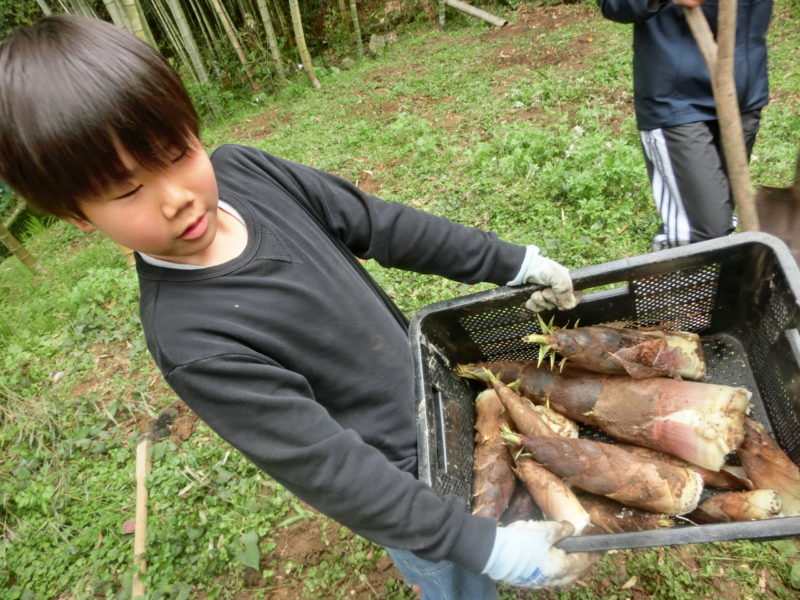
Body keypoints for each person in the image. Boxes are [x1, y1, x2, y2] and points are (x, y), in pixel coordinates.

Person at [0, 15, 598, 599]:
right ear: (79, 216)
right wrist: (476, 544)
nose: (177, 197)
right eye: (129, 190)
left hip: (443, 406)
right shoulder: (191, 338)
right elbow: (328, 468)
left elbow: (383, 225)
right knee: (459, 579)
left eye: (178, 152)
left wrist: (508, 262)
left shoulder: (249, 171)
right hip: (400, 488)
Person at [596, 0, 772, 250]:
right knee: (705, 231)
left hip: (743, 90)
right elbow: (615, 4)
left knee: (716, 220)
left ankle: (717, 283)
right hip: (677, 97)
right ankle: (663, 276)